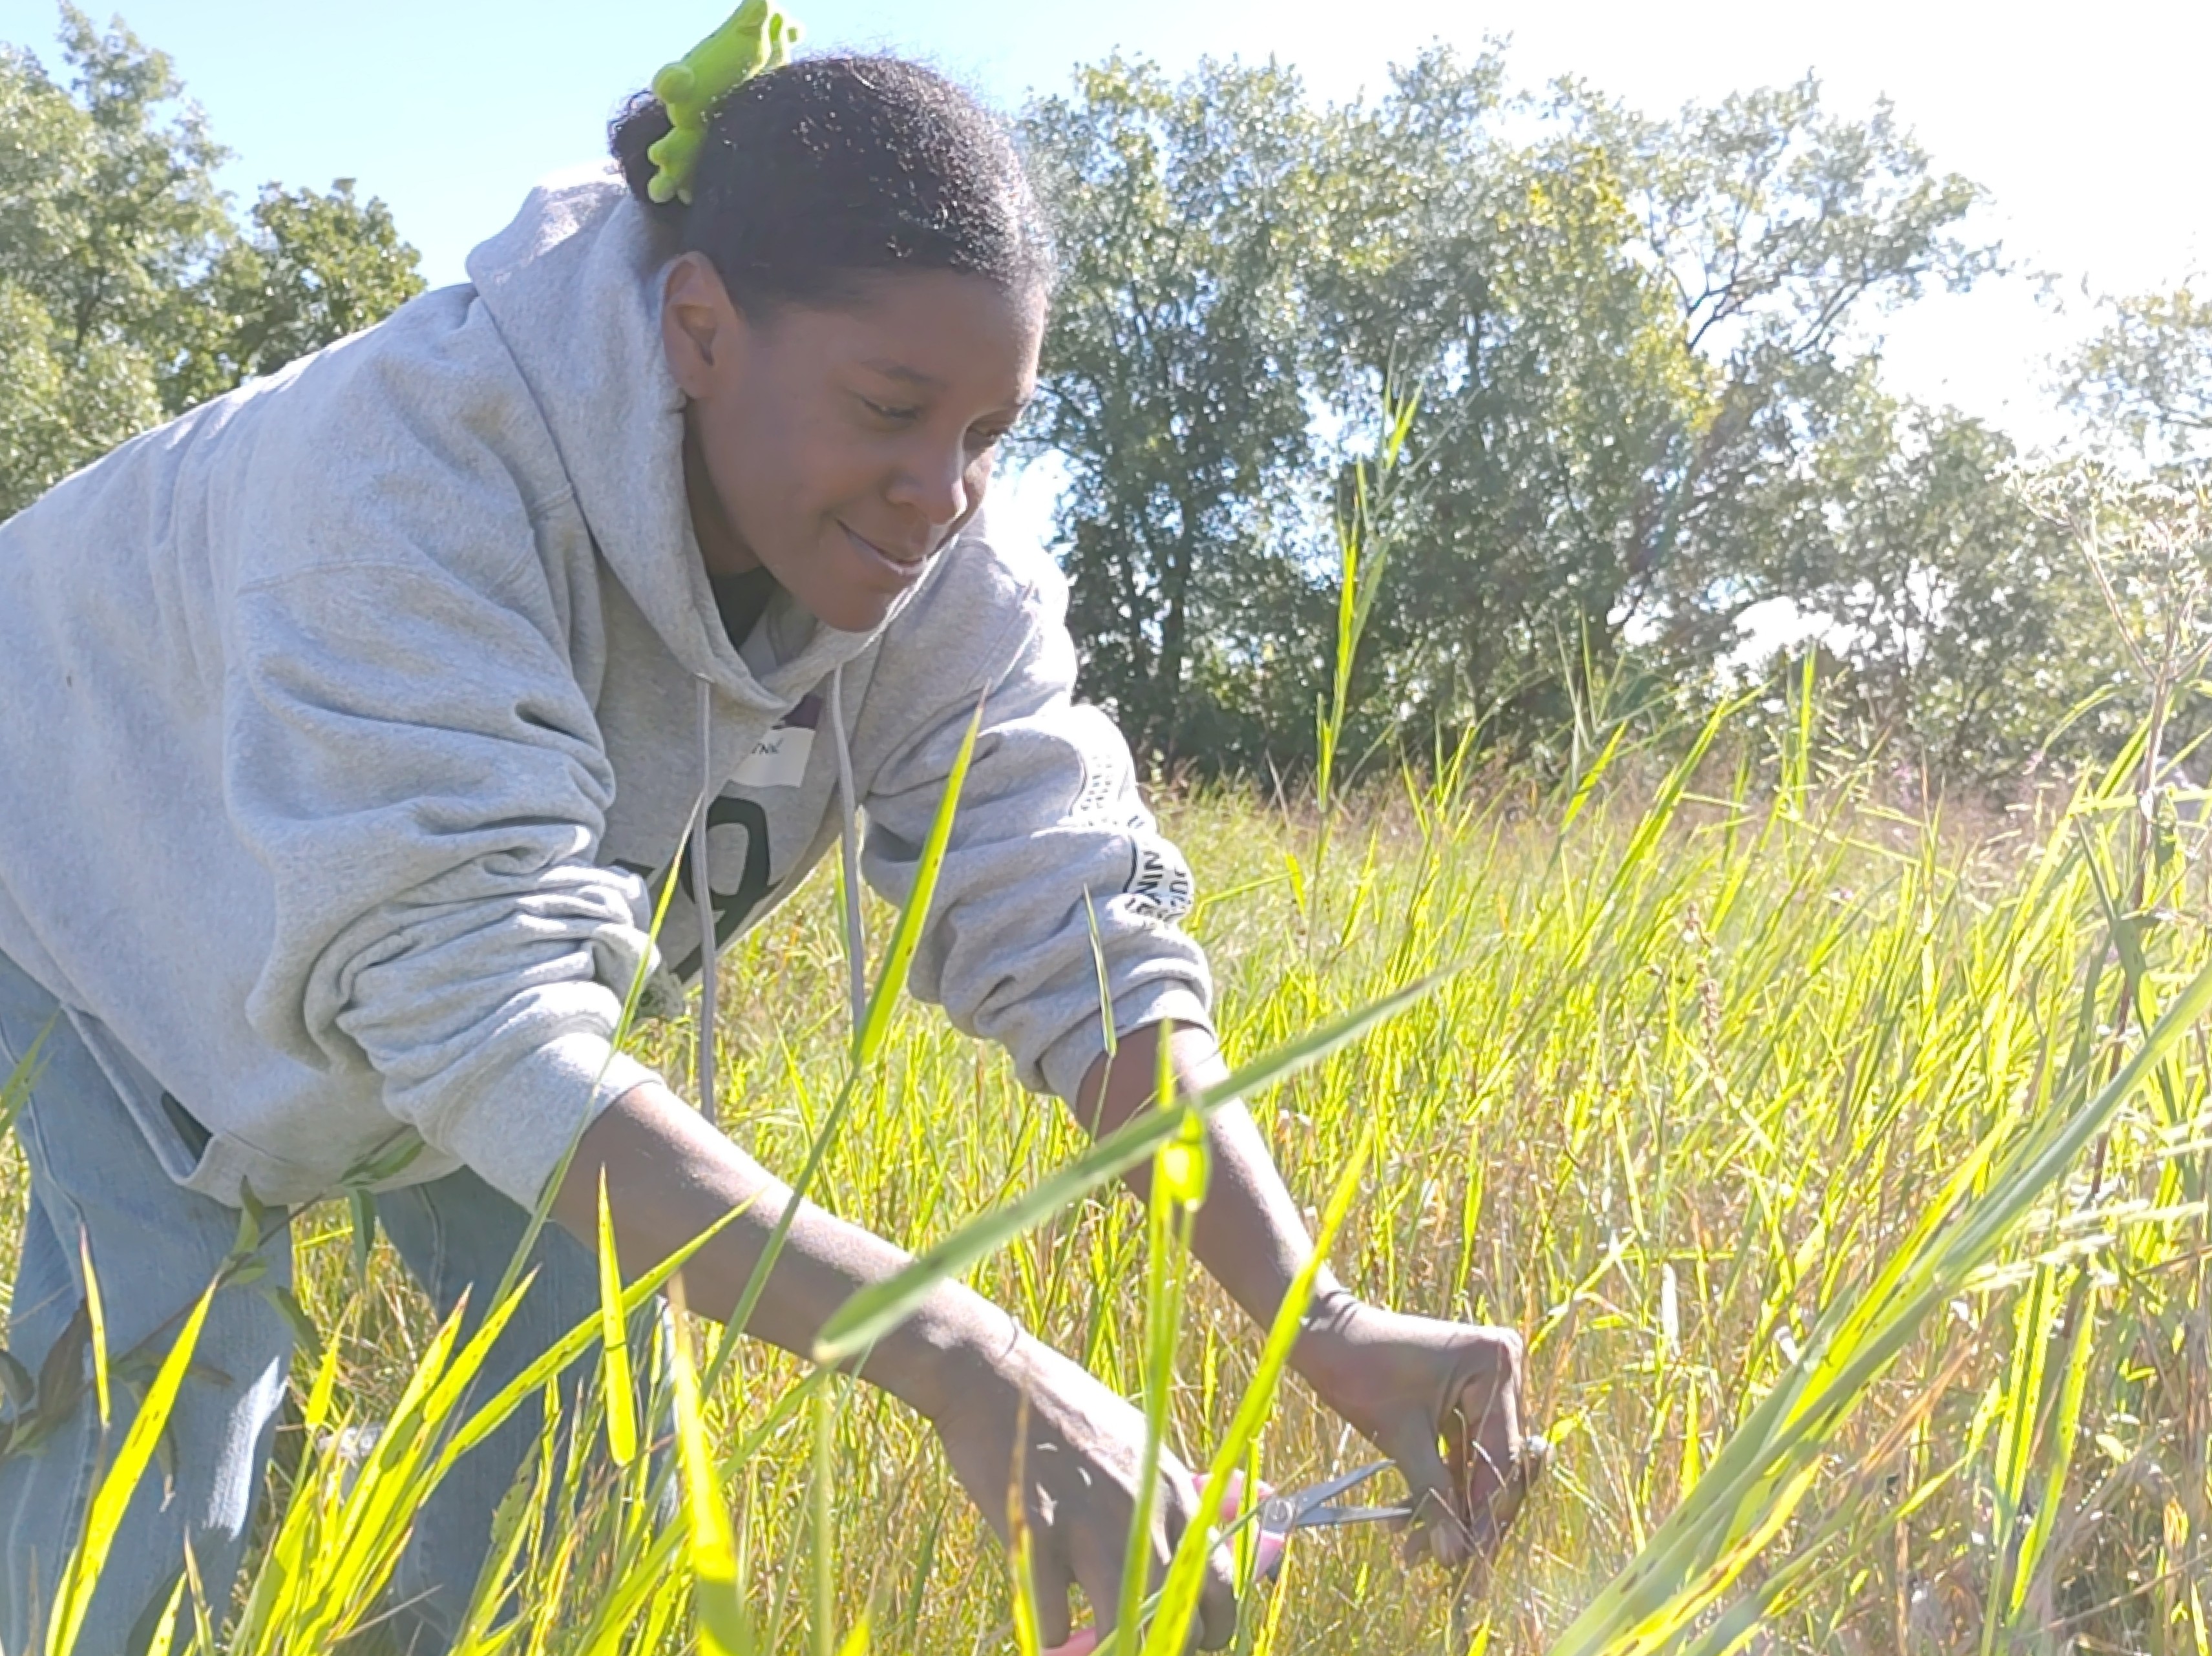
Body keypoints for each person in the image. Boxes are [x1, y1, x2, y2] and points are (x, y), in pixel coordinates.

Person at [0, 10, 1530, 1652]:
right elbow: (481, 1025)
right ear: (701, 327)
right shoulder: (399, 488)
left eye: (985, 433)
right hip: (110, 888)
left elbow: (1074, 924)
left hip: (466, 972)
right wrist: (967, 1358)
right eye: (889, 408)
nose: (936, 493)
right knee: (148, 1504)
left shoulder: (942, 567)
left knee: (580, 1504)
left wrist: (1327, 1324)